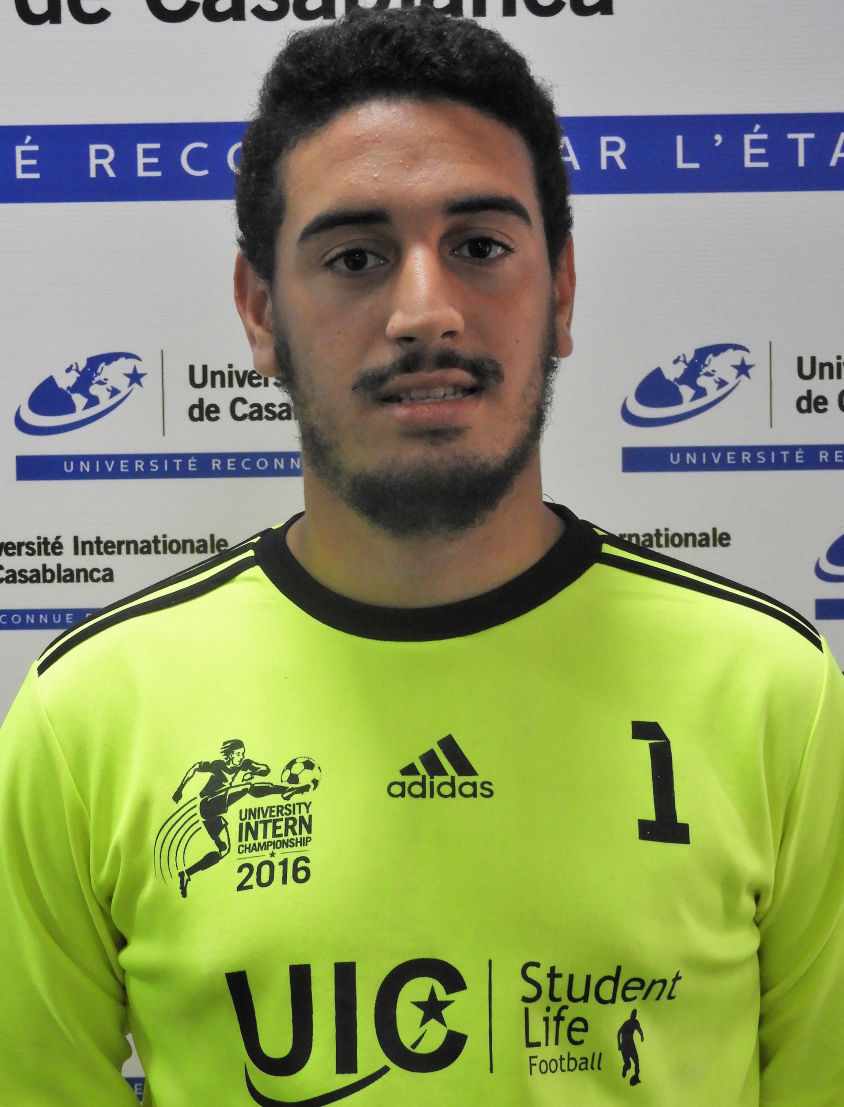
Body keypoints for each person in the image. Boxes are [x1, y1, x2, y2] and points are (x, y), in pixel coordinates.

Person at [0, 8, 842, 1105]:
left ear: (562, 291)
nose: (425, 312)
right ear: (260, 312)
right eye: (354, 257)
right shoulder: (88, 717)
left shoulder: (774, 695)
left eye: (481, 247)